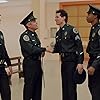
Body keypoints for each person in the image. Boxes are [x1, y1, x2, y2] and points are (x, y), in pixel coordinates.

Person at [46, 9, 84, 100]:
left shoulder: (71, 30)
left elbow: (79, 46)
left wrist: (80, 62)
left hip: (72, 61)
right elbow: (58, 48)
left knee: (71, 87)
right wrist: (47, 50)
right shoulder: (58, 33)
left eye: (57, 17)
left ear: (64, 18)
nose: (55, 19)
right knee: (65, 86)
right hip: (64, 62)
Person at [19, 11, 46, 100]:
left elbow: (36, 48)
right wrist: (44, 49)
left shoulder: (35, 35)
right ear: (29, 25)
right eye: (34, 21)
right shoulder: (25, 36)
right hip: (30, 64)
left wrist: (41, 52)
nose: (36, 23)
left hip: (37, 63)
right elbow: (31, 49)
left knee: (38, 87)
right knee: (29, 87)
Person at [86, 4, 100, 100]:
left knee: (96, 90)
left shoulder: (99, 29)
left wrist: (94, 65)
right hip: (92, 60)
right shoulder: (93, 28)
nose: (86, 16)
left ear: (95, 16)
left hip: (98, 63)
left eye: (89, 14)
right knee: (92, 87)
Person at [0, 31, 12, 100]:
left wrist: (9, 64)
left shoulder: (0, 34)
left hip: (2, 68)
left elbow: (4, 49)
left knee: (6, 92)